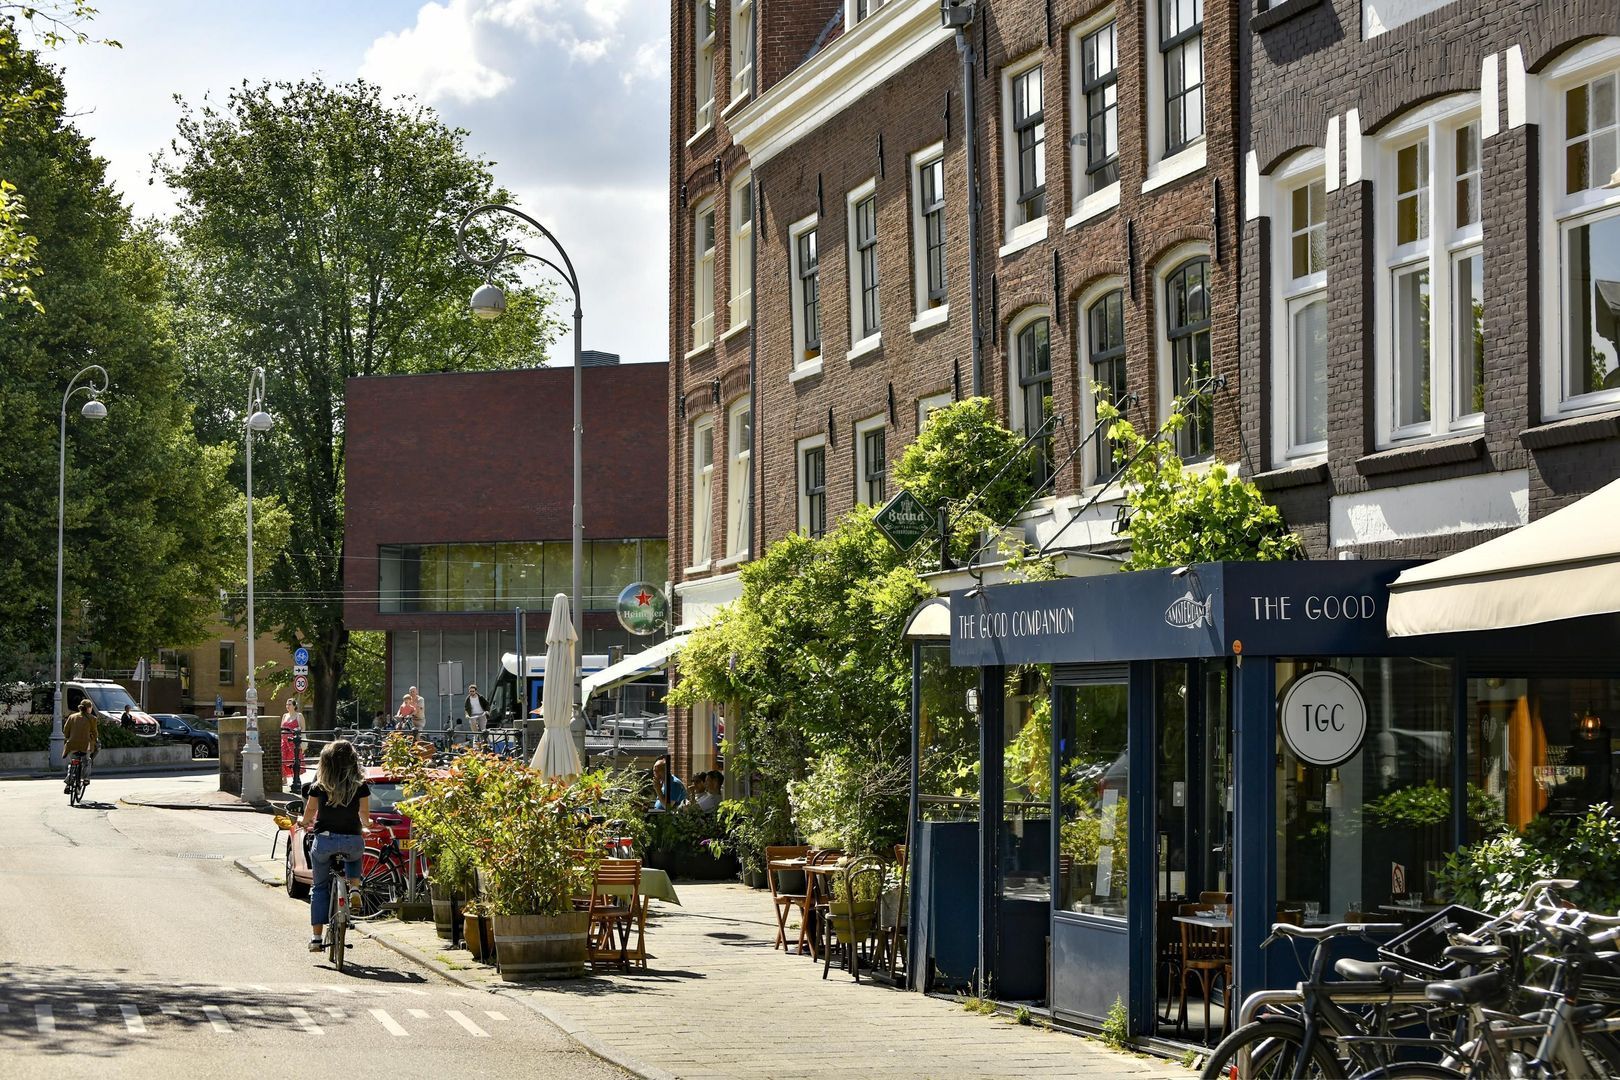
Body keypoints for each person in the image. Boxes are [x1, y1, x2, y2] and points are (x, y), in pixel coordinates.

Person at [298, 739, 374, 953]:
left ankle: (315, 938)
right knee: (354, 855)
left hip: (325, 841)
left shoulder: (319, 786)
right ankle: (355, 888)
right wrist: (367, 825)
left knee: (320, 888)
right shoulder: (361, 786)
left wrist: (302, 823)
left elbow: (310, 813)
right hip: (352, 840)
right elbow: (364, 816)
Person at [63, 699, 99, 793]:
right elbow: (95, 732)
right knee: (87, 761)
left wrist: (68, 737)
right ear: (88, 708)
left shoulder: (72, 717)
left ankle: (68, 782)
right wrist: (95, 740)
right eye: (91, 707)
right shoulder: (92, 718)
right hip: (85, 745)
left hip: (72, 744)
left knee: (72, 763)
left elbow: (66, 730)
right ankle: (86, 778)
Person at [280, 699, 305, 779]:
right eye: (287, 704)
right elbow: (281, 728)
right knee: (283, 759)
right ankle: (284, 779)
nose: (287, 706)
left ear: (294, 706)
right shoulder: (284, 715)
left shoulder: (299, 715)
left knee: (294, 759)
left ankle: (296, 778)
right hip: (284, 742)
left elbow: (303, 728)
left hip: (294, 742)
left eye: (290, 704)